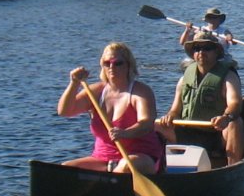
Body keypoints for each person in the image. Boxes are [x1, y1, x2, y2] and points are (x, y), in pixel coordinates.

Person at [57, 42, 165, 175]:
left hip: (141, 157)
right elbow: (65, 111)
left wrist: (125, 133)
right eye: (107, 63)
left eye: (117, 63)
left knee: (125, 166)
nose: (112, 67)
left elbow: (146, 123)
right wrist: (74, 84)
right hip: (103, 158)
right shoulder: (95, 92)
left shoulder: (140, 91)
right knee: (64, 168)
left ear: (128, 65)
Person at [157, 32, 244, 165]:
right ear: (193, 53)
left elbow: (235, 103)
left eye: (207, 48)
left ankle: (233, 167)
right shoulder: (183, 80)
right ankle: (157, 168)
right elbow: (175, 110)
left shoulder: (229, 76)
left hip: (216, 134)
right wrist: (169, 116)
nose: (201, 52)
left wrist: (226, 117)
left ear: (216, 52)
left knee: (235, 123)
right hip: (188, 133)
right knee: (154, 125)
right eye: (197, 49)